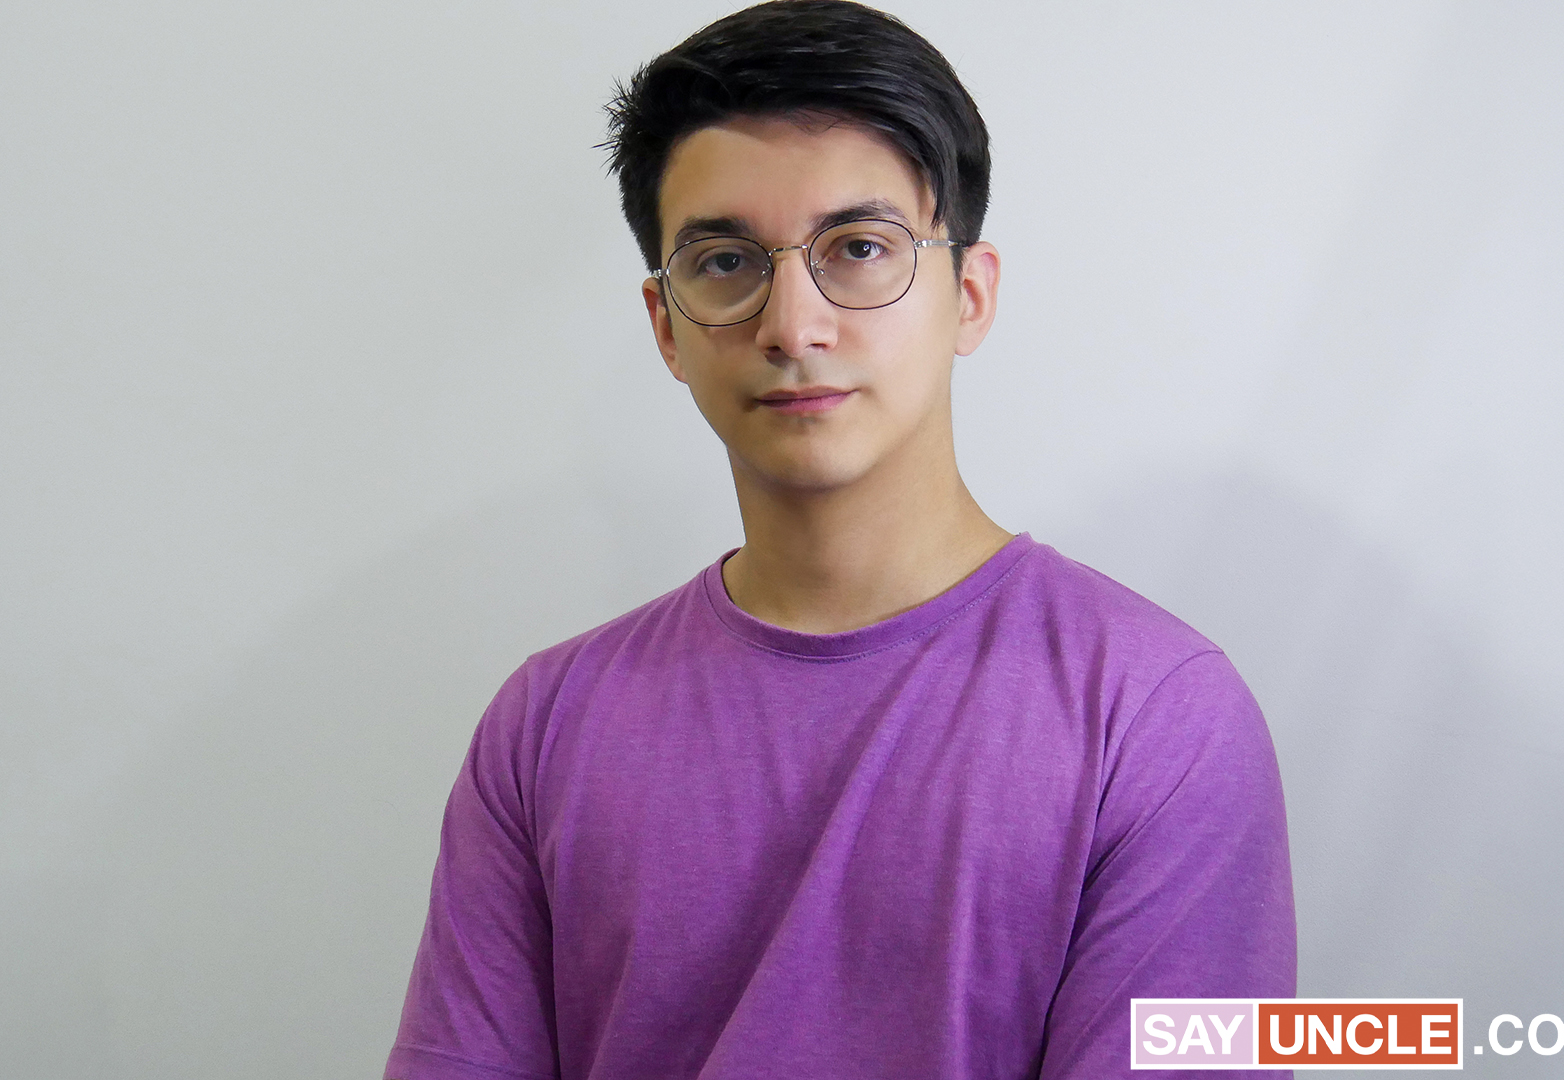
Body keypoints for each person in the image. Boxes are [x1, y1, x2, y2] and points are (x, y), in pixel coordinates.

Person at [384, 2, 1295, 1078]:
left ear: (970, 294)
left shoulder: (1157, 716)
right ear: (667, 325)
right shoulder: (544, 725)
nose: (792, 324)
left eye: (860, 249)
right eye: (726, 261)